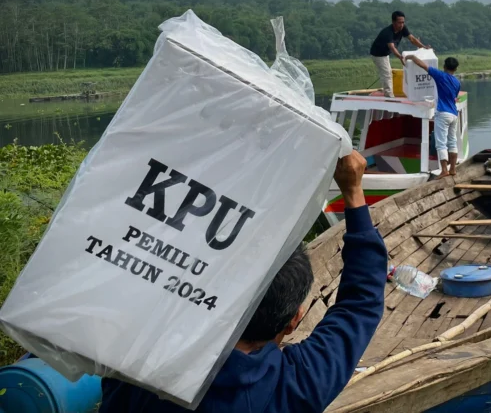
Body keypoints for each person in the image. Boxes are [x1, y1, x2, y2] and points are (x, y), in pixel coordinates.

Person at [99, 150, 388, 413]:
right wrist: (352, 190)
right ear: (294, 320)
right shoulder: (299, 383)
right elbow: (360, 304)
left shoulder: (141, 369)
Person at [404, 54, 461, 178]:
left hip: (442, 113)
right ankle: (453, 169)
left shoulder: (440, 75)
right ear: (455, 69)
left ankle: (444, 170)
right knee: (452, 142)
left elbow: (422, 65)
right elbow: (455, 97)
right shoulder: (457, 82)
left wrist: (412, 57)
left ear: (444, 66)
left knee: (441, 143)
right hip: (454, 114)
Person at [370, 11, 431, 98]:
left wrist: (423, 47)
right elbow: (392, 47)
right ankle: (389, 97)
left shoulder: (403, 28)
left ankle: (386, 90)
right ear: (393, 22)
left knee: (386, 73)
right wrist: (400, 57)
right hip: (378, 54)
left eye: (403, 22)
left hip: (385, 53)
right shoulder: (387, 32)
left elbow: (412, 39)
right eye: (399, 22)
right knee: (387, 74)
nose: (401, 25)